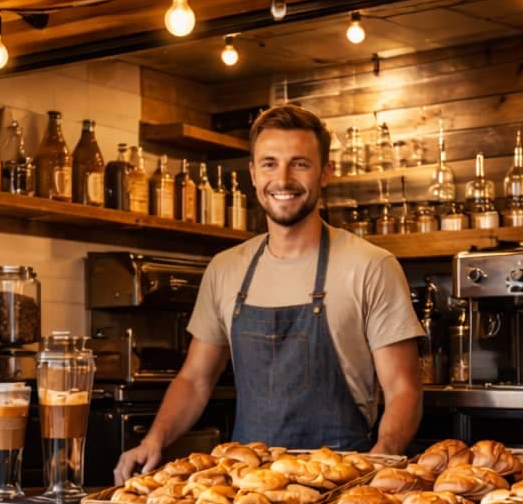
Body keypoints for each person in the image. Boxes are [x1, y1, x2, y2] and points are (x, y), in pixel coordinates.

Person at [115, 104, 423, 483]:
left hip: (340, 482)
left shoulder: (371, 266)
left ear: (326, 173)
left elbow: (403, 388)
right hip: (246, 487)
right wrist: (154, 440)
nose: (283, 178)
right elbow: (195, 379)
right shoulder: (226, 269)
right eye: (269, 164)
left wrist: (381, 457)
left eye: (300, 164)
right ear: (252, 174)